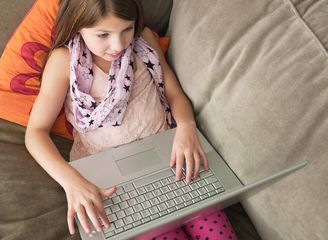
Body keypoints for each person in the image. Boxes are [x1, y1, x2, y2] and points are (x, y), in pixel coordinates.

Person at [25, 0, 237, 239]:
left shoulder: (143, 39)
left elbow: (174, 93)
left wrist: (187, 127)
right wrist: (70, 181)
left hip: (169, 151)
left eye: (127, 29)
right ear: (77, 26)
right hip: (108, 168)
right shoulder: (63, 61)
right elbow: (36, 132)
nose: (118, 45)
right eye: (103, 34)